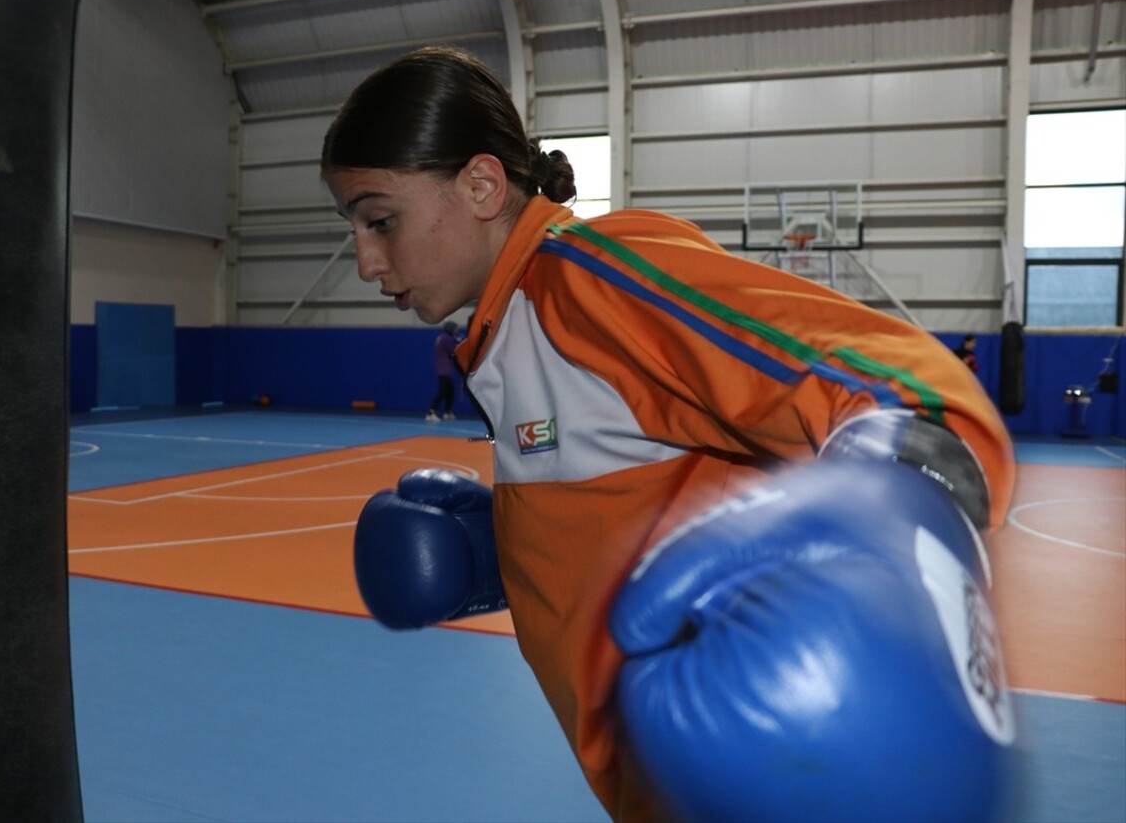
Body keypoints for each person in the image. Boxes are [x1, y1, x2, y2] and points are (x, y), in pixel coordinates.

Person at [324, 46, 1017, 822]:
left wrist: (888, 536)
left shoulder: (590, 281)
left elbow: (910, 395)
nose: (365, 259)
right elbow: (648, 482)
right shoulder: (506, 332)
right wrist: (504, 556)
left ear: (483, 184)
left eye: (380, 219)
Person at [426, 320, 459, 421]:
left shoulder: (442, 337)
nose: (455, 331)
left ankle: (447, 412)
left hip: (444, 368)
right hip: (444, 369)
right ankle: (431, 412)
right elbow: (453, 351)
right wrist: (458, 343)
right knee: (442, 391)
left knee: (450, 391)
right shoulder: (447, 338)